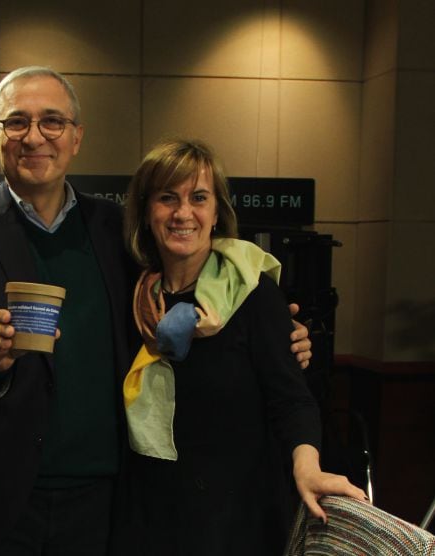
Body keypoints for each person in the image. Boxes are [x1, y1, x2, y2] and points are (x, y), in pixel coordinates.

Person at [0, 67, 312, 555]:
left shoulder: (114, 229)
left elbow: (192, 283)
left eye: (53, 122)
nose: (35, 136)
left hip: (105, 498)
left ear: (77, 137)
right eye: (16, 122)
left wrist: (279, 333)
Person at [115, 138, 367, 555]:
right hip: (149, 519)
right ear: (146, 211)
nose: (183, 213)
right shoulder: (135, 297)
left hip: (235, 524)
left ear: (216, 213)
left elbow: (292, 402)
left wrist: (306, 466)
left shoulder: (254, 297)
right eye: (167, 198)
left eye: (198, 198)